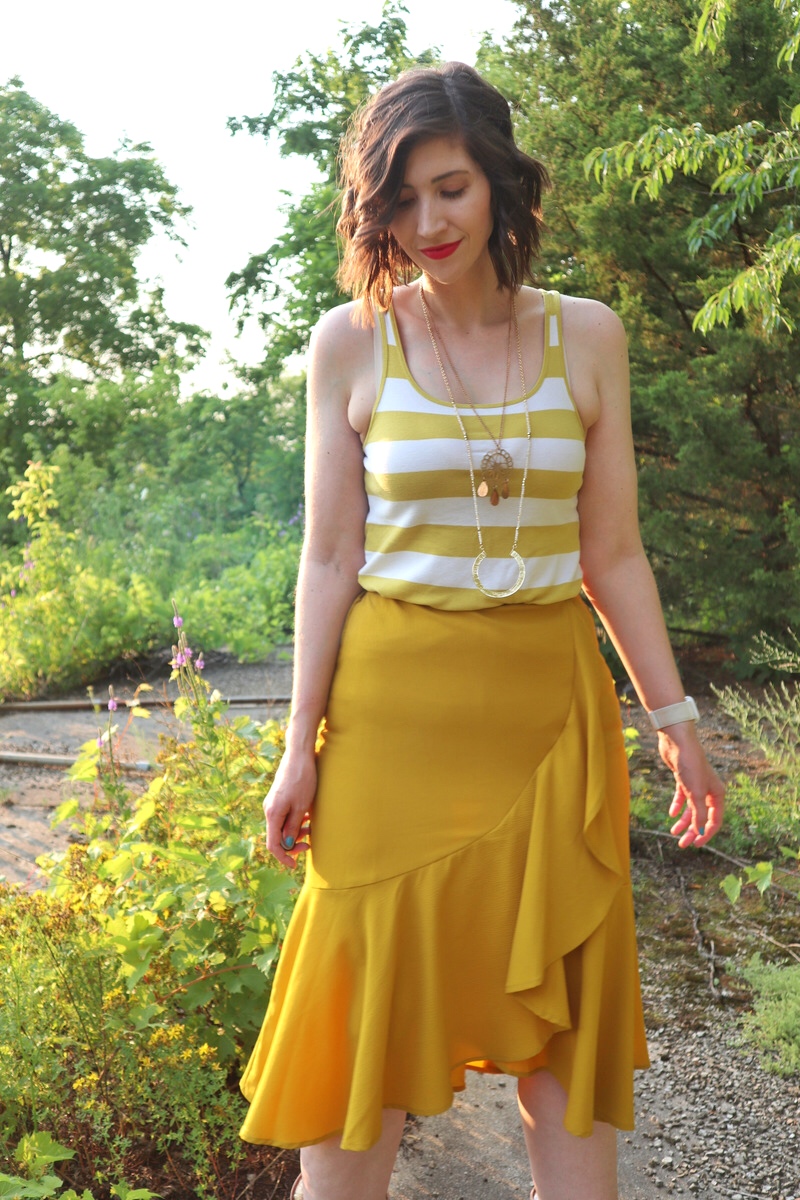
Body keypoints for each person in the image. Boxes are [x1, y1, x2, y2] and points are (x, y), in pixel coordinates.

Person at [239, 61, 725, 1200]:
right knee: (358, 1057)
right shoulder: (350, 342)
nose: (426, 224)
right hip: (389, 729)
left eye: (449, 189)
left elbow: (611, 555)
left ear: (503, 184)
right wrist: (297, 742)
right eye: (398, 202)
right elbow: (326, 559)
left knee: (562, 1050)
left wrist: (673, 718)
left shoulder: (587, 336)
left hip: (547, 722)